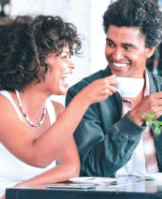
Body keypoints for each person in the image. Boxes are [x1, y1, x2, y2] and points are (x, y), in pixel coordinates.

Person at [66, 0, 162, 177]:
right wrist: (134, 119)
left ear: (149, 49)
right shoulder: (83, 94)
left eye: (127, 47)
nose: (116, 55)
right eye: (110, 44)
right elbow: (91, 168)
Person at [0, 15, 117, 197]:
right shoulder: (3, 104)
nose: (71, 65)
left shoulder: (56, 110)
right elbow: (37, 156)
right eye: (64, 57)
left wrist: (17, 191)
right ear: (36, 61)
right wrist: (83, 99)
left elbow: (71, 169)